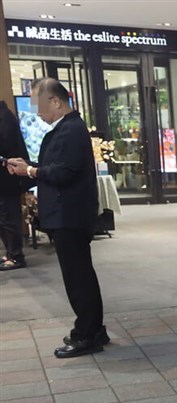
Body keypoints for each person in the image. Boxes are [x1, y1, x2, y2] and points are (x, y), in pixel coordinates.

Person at [6, 78, 106, 358]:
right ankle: (94, 329)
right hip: (69, 213)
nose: (36, 111)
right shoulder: (68, 128)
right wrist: (31, 168)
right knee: (81, 275)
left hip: (69, 216)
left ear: (56, 101)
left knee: (78, 277)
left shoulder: (70, 130)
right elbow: (57, 167)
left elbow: (63, 172)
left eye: (38, 103)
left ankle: (87, 334)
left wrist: (30, 171)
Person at [0, 101, 31, 271]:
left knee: (9, 217)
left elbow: (4, 144)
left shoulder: (5, 118)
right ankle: (10, 253)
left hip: (8, 179)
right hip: (5, 178)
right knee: (3, 218)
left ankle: (16, 255)